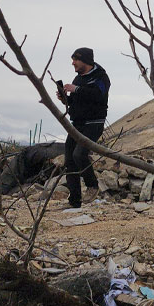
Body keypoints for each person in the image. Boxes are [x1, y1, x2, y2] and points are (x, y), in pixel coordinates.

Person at [57, 47, 111, 208]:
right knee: (69, 160)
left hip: (93, 123)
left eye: (76, 60)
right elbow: (76, 101)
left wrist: (77, 89)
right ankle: (74, 201)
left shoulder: (101, 77)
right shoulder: (78, 79)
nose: (73, 63)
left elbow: (98, 95)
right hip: (77, 124)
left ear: (85, 60)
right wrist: (64, 99)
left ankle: (92, 185)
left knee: (80, 154)